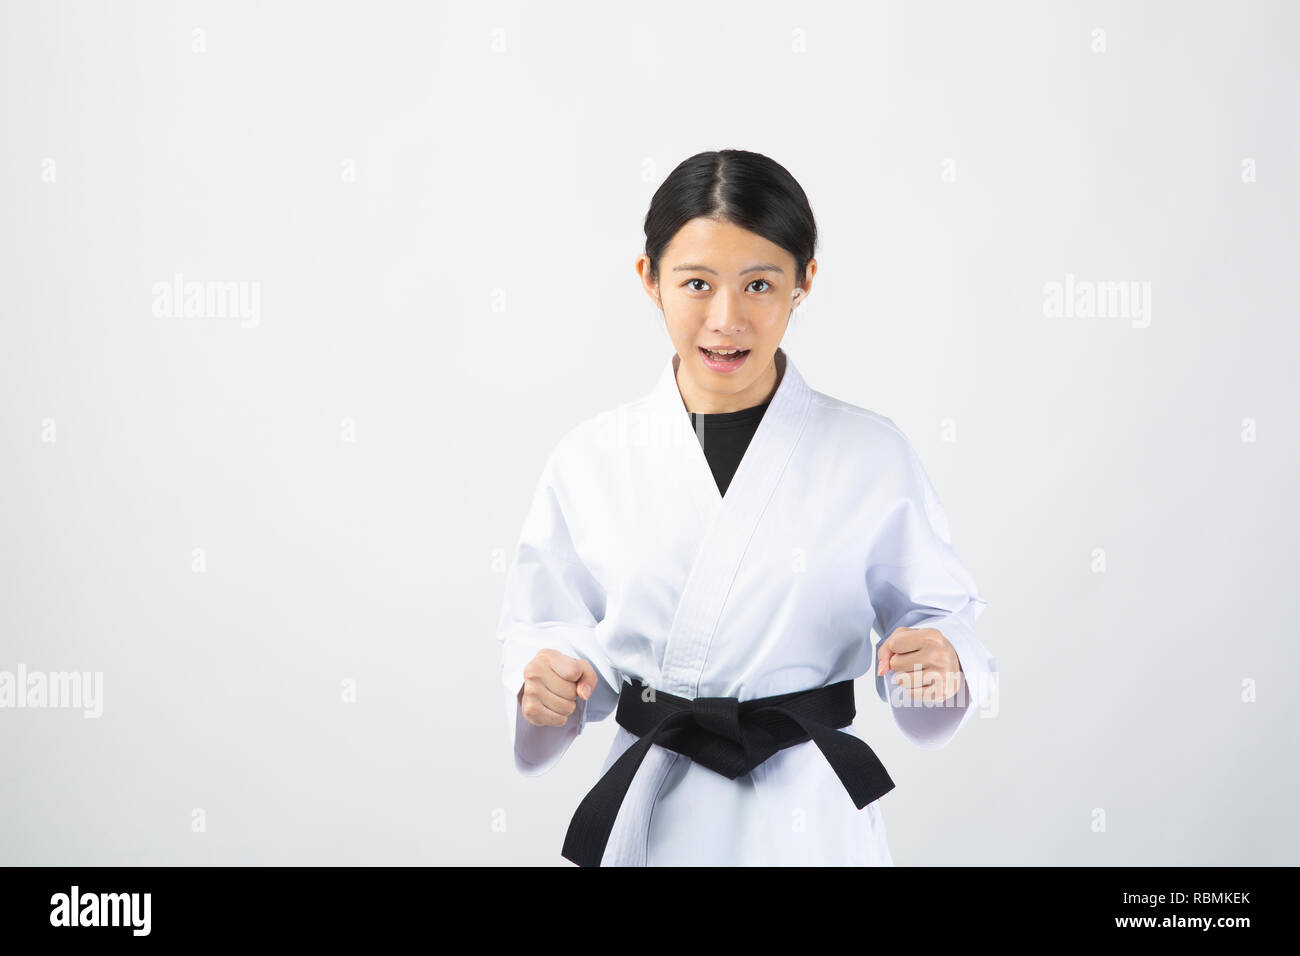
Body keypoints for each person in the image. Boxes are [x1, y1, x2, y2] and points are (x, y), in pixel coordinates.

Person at [497, 148, 996, 866]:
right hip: (653, 807)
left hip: (809, 816)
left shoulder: (870, 455)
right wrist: (547, 677)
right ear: (651, 281)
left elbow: (938, 616)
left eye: (759, 284)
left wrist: (938, 662)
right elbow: (548, 624)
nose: (726, 319)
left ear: (803, 283)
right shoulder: (592, 457)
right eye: (696, 282)